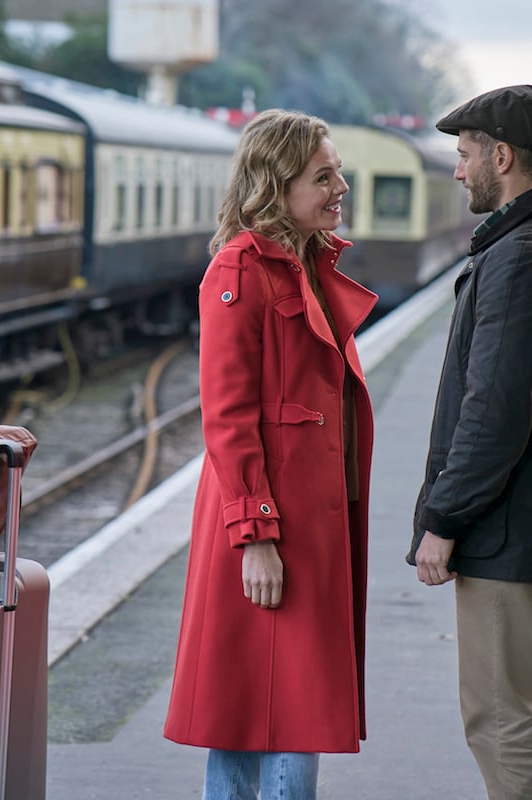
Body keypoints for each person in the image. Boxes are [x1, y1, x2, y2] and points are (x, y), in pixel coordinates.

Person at [407, 85, 532, 800]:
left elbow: (493, 413)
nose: (459, 170)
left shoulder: (522, 255)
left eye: (465, 156)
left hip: (510, 529)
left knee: (500, 719)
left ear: (502, 154)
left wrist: (443, 519)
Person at [165, 109, 377, 799]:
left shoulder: (307, 264)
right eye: (323, 176)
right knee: (269, 711)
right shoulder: (238, 271)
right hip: (269, 524)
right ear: (275, 184)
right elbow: (227, 418)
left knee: (278, 706)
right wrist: (255, 534)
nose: (339, 186)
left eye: (336, 171)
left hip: (309, 522)